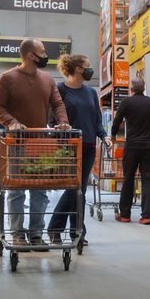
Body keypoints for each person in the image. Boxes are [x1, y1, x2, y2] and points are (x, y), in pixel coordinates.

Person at [0, 38, 70, 248]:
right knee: (16, 190)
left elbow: (58, 103)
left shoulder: (47, 79)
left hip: (41, 144)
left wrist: (63, 122)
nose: (45, 55)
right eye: (42, 52)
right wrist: (12, 122)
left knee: (40, 190)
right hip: (15, 144)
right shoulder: (7, 78)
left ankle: (36, 233)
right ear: (30, 55)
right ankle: (17, 234)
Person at [48, 54, 112, 245]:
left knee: (79, 190)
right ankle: (67, 231)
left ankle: (73, 232)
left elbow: (97, 121)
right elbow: (52, 121)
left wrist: (104, 136)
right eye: (88, 66)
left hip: (89, 147)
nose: (90, 70)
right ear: (78, 69)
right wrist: (62, 136)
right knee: (74, 189)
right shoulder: (60, 90)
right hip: (68, 148)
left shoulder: (91, 92)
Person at [111, 77, 150, 225]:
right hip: (148, 147)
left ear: (131, 88)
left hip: (132, 145)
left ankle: (125, 214)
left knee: (128, 178)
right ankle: (146, 215)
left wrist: (113, 136)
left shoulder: (126, 102)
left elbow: (117, 121)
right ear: (144, 87)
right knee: (147, 179)